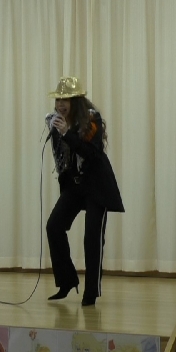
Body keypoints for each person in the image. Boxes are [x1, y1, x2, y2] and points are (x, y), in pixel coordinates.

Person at [44, 77, 124, 306]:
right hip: (75, 185)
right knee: (54, 226)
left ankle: (91, 292)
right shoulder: (56, 121)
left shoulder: (91, 119)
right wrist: (59, 133)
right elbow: (62, 158)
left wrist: (68, 133)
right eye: (58, 100)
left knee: (92, 239)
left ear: (76, 101)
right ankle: (67, 281)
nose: (60, 104)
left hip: (97, 186)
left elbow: (92, 154)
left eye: (65, 100)